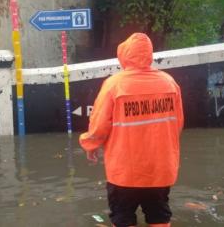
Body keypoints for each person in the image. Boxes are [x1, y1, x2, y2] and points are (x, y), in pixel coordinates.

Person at [79, 33, 184, 227]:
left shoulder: (114, 85)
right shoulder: (169, 83)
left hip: (124, 172)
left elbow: (99, 124)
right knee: (159, 216)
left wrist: (90, 145)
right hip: (160, 169)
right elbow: (176, 124)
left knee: (123, 218)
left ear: (124, 55)